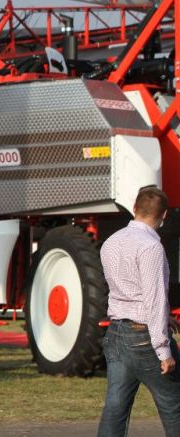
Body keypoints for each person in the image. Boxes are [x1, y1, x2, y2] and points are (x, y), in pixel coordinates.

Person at [98, 186, 180, 436]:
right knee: (173, 405)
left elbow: (125, 288)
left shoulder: (111, 242)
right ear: (164, 215)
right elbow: (153, 299)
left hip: (116, 331)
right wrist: (163, 349)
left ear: (134, 208)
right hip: (144, 336)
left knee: (115, 408)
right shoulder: (151, 248)